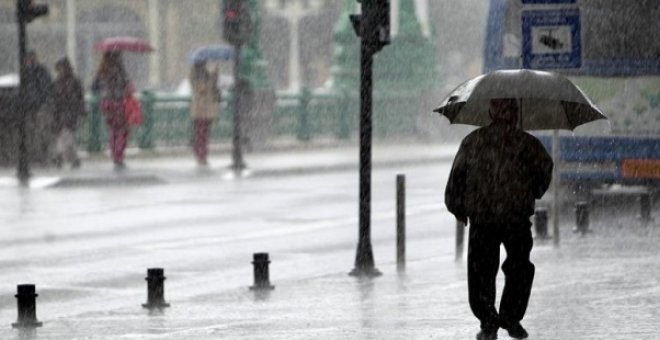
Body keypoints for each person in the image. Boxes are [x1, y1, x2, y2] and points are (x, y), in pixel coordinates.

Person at [445, 98, 553, 340]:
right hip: (516, 217)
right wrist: (531, 192)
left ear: (490, 111)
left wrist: (459, 208)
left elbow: (456, 179)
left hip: (483, 218)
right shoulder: (527, 143)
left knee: (482, 270)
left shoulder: (473, 142)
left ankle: (488, 320)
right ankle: (511, 318)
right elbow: (544, 171)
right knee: (519, 267)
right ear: (515, 114)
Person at [92, 51, 131, 170]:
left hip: (106, 104)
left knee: (113, 131)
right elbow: (126, 86)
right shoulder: (119, 70)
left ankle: (115, 154)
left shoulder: (102, 71)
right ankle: (119, 155)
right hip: (118, 103)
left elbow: (94, 87)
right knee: (123, 130)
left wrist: (105, 92)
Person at [51, 57, 85, 168]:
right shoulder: (57, 82)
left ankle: (59, 155)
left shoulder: (73, 81)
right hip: (61, 112)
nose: (60, 71)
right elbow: (54, 98)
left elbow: (80, 97)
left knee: (65, 135)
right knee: (66, 136)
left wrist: (81, 110)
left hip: (70, 112)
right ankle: (73, 158)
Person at [189, 61, 220, 166]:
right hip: (200, 109)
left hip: (207, 109)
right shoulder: (195, 75)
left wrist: (215, 74)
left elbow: (212, 87)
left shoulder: (206, 74)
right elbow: (201, 88)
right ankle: (201, 155)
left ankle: (203, 155)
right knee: (201, 133)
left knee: (205, 134)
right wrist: (210, 80)